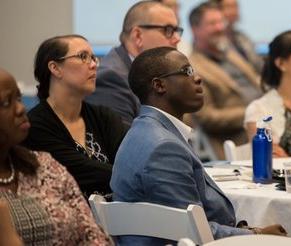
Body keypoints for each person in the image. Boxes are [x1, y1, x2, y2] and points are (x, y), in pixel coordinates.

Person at [110, 47, 286, 245]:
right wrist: (257, 235)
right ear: (159, 85)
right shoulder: (163, 147)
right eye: (187, 72)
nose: (198, 78)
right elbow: (191, 230)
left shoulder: (145, 129)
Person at [0, 68, 112, 245]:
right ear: (54, 68)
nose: (21, 108)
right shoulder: (42, 125)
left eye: (19, 98)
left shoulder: (44, 165)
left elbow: (91, 234)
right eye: (6, 103)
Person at [23, 35, 128, 197]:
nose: (93, 65)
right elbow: (78, 172)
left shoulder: (104, 116)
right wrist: (130, 177)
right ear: (55, 68)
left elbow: (128, 164)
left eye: (93, 58)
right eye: (83, 57)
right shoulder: (35, 126)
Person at [86, 0, 182, 126]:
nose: (177, 39)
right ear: (138, 36)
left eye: (177, 30)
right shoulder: (110, 79)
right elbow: (127, 143)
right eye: (168, 30)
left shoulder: (153, 73)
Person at [189, 2, 262, 159]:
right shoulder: (193, 67)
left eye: (221, 22)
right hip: (238, 139)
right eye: (212, 23)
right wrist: (251, 112)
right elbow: (207, 117)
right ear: (195, 29)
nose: (219, 27)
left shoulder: (231, 54)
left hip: (266, 125)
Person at [212, 0, 264, 73]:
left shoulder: (242, 37)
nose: (234, 11)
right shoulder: (213, 41)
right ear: (216, 10)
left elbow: (259, 65)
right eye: (228, 7)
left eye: (235, 6)